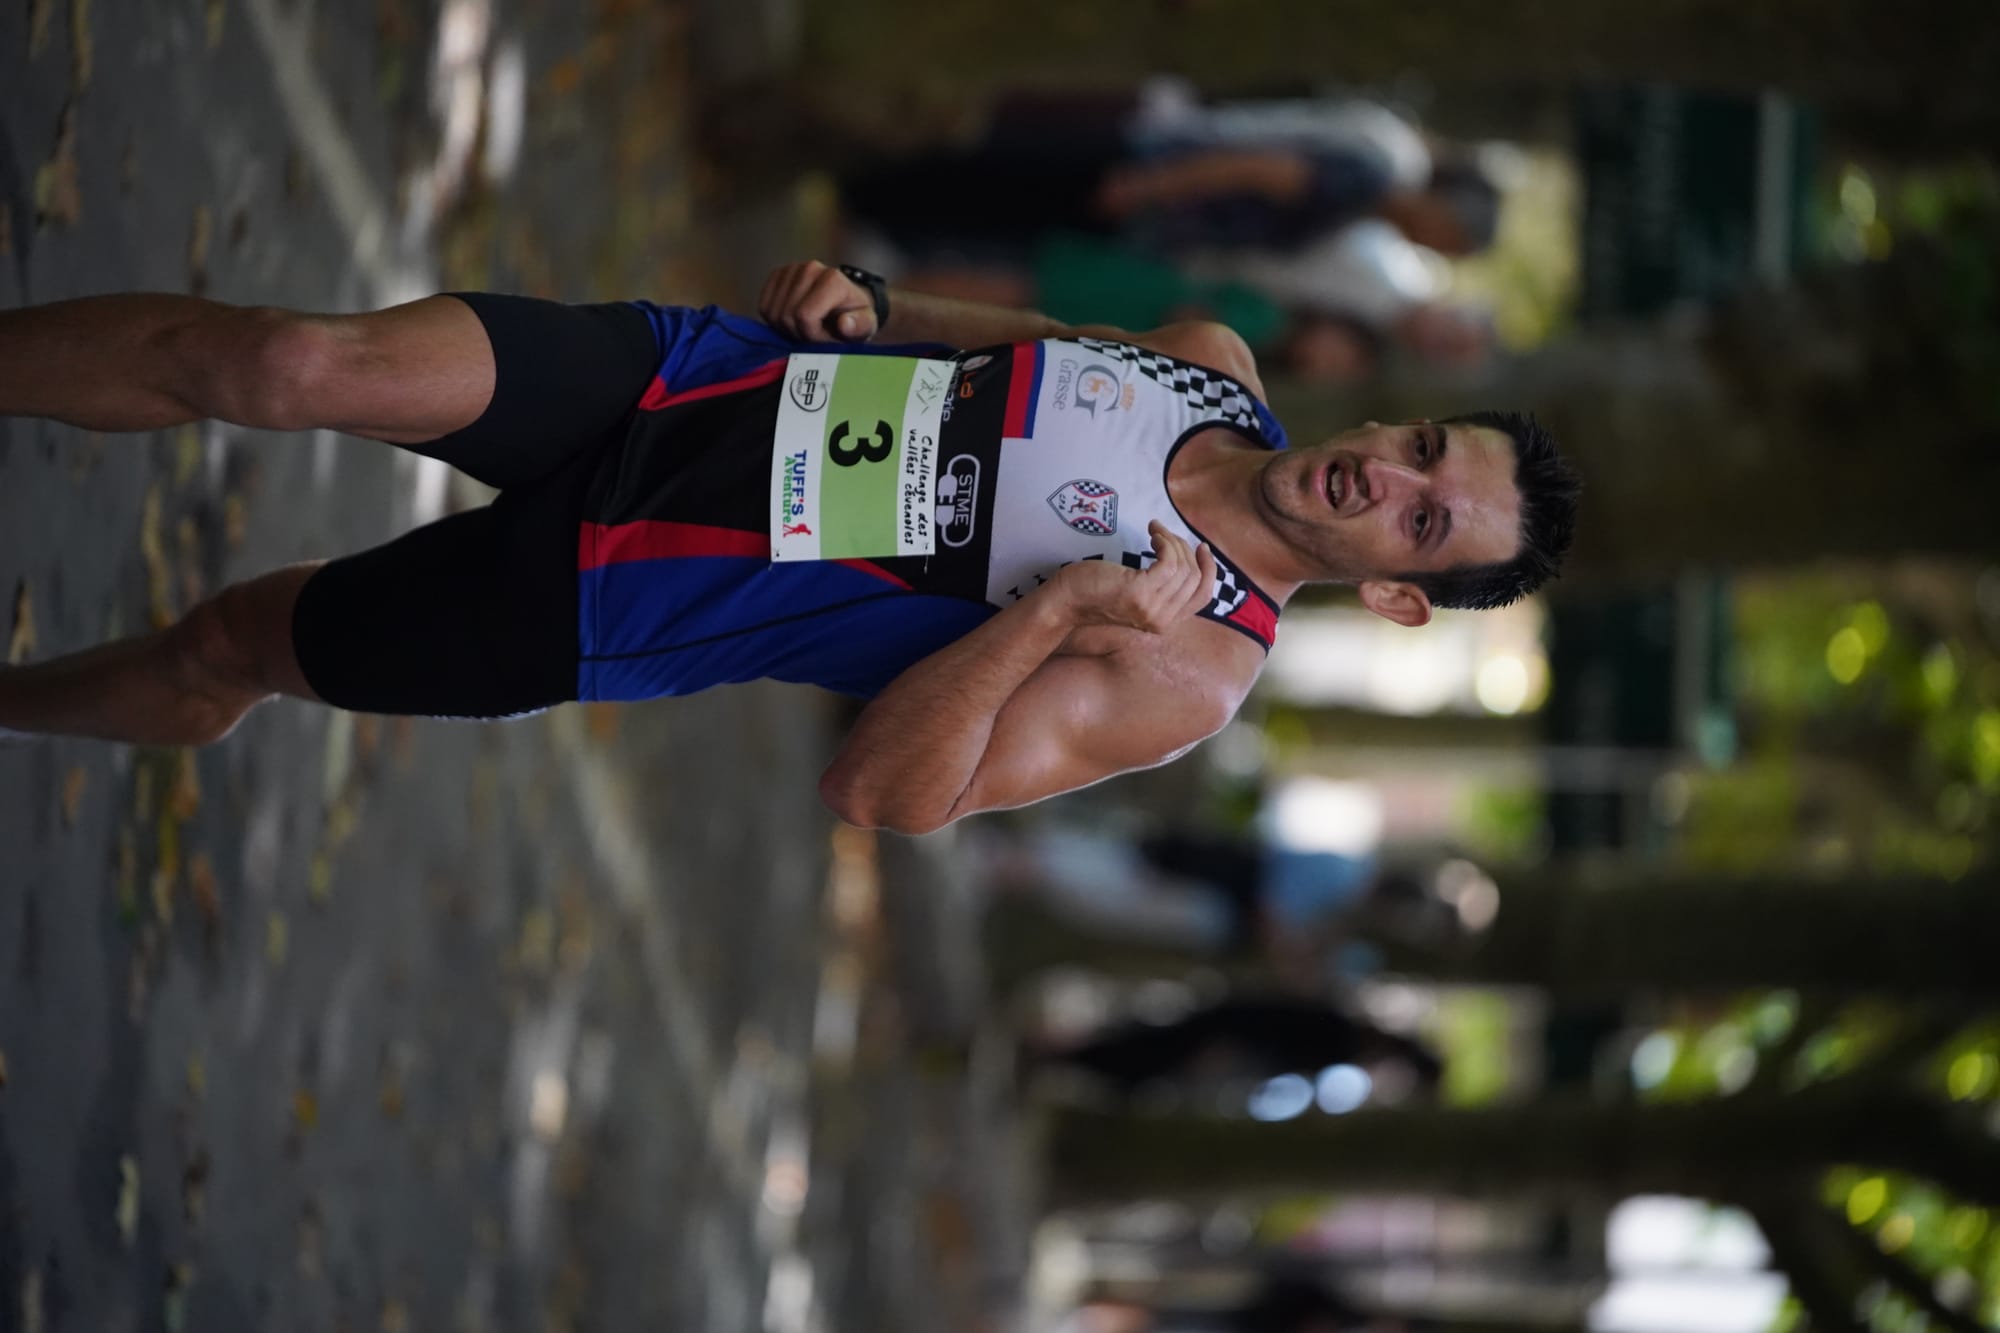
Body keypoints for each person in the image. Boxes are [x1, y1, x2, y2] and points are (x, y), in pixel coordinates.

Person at [0, 262, 1578, 831]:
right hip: (686, 385)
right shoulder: (1206, 357)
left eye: (1427, 524)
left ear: (1397, 593)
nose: (1390, 477)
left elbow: (884, 795)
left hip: (625, 595)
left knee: (231, 645)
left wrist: (1059, 615)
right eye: (1425, 449)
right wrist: (882, 308)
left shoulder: (1190, 666)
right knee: (287, 359)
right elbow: (1030, 339)